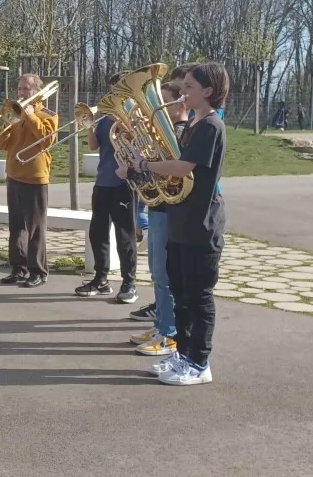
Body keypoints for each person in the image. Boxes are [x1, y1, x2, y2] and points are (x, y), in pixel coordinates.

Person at [125, 62, 229, 387]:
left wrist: (146, 163)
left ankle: (200, 363)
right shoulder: (195, 125)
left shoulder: (211, 126)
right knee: (181, 294)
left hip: (201, 225)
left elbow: (183, 168)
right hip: (182, 221)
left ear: (207, 91)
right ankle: (183, 355)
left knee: (199, 298)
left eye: (188, 88)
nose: (182, 94)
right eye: (183, 87)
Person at [127, 78, 190, 358]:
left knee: (164, 275)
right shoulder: (167, 133)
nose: (159, 108)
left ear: (181, 103)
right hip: (158, 208)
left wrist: (144, 164)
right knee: (156, 272)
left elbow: (172, 171)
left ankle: (170, 333)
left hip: (169, 210)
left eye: (165, 102)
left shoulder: (182, 133)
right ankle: (161, 326)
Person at [76, 72, 139, 303]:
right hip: (103, 181)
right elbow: (93, 146)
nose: (114, 93)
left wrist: (123, 126)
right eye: (112, 89)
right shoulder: (103, 116)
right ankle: (100, 279)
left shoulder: (135, 113)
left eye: (119, 89)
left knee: (125, 235)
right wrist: (89, 125)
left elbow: (140, 142)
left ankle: (129, 281)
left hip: (124, 183)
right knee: (98, 232)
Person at [0, 73, 59, 288]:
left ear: (37, 91)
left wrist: (31, 116)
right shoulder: (15, 112)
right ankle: (18, 268)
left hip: (35, 177)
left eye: (27, 89)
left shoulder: (48, 114)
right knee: (16, 226)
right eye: (20, 89)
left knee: (35, 228)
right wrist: (7, 125)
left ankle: (38, 271)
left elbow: (48, 140)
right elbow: (2, 144)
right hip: (14, 175)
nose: (22, 93)